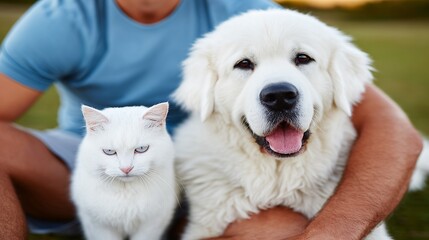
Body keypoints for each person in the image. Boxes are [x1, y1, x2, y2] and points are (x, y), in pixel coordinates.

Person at [0, 0, 422, 239]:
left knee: (283, 231)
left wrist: (335, 232)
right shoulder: (61, 19)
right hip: (92, 171)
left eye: (300, 60)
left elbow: (393, 129)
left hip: (211, 181)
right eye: (246, 65)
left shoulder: (249, 15)